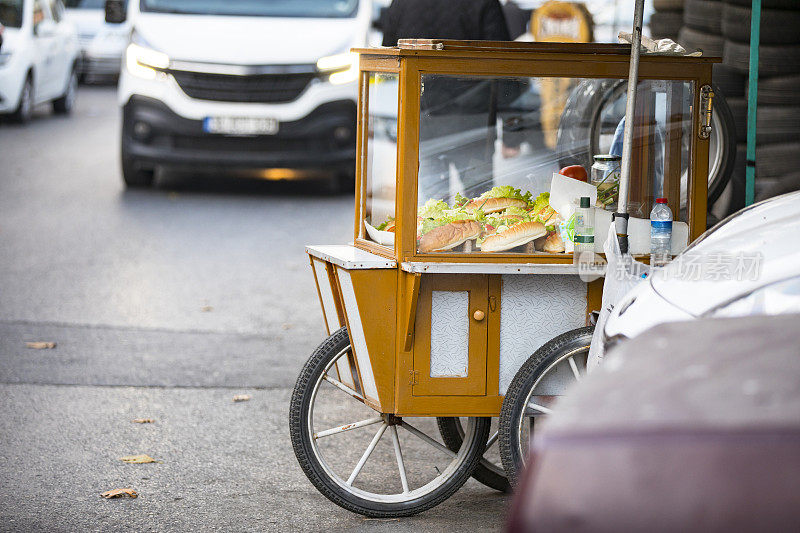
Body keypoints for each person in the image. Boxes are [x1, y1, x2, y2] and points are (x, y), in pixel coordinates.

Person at [381, 0, 511, 202]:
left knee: (433, 210)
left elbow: (388, 55)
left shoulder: (402, 2)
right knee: (480, 207)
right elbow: (506, 63)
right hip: (474, 123)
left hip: (421, 120)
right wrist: (513, 135)